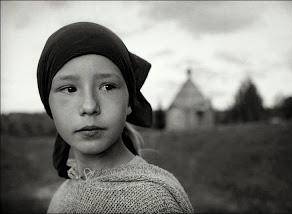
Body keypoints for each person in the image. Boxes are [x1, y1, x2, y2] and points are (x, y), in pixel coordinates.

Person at [37, 22, 193, 213]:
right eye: (70, 89)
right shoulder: (63, 194)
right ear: (49, 105)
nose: (90, 106)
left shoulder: (153, 202)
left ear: (129, 102)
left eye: (107, 87)